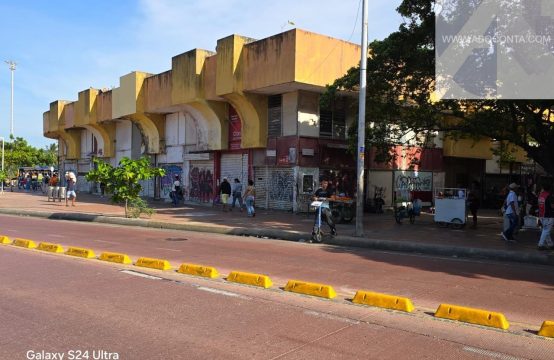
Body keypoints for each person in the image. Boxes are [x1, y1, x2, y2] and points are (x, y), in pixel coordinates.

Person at [537, 183, 554, 250]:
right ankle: (540, 245)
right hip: (548, 215)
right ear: (549, 189)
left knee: (546, 230)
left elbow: (539, 205)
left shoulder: (540, 195)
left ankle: (550, 244)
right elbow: (552, 206)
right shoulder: (549, 196)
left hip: (541, 215)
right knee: (546, 230)